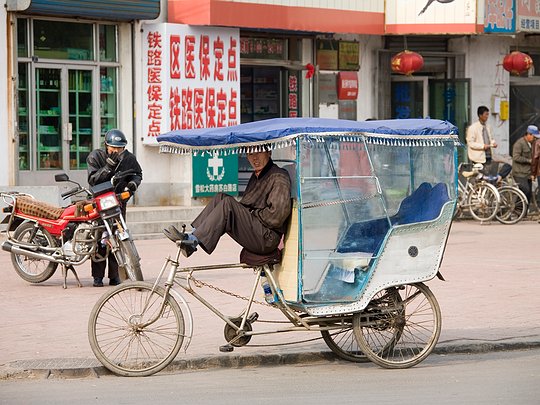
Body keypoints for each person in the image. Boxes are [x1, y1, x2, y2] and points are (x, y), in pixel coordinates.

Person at [165, 149, 292, 259]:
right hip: (256, 229)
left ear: (269, 152)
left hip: (267, 238)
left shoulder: (279, 176)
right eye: (250, 154)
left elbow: (277, 216)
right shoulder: (256, 176)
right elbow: (247, 205)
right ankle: (192, 236)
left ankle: (192, 241)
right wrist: (247, 213)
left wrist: (252, 213)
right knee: (220, 197)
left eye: (258, 153)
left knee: (228, 204)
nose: (254, 158)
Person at [86, 129, 143, 287]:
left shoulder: (129, 158)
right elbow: (93, 180)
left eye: (120, 148)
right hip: (99, 202)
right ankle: (97, 276)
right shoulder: (95, 156)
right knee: (100, 239)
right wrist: (108, 167)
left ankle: (115, 275)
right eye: (113, 148)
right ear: (106, 145)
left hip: (118, 202)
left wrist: (133, 184)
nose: (116, 151)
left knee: (118, 237)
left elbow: (137, 173)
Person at [466, 105, 512, 181]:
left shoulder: (488, 127)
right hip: (478, 158)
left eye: (488, 114)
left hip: (488, 156)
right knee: (482, 179)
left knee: (506, 166)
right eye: (486, 114)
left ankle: (498, 178)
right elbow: (470, 143)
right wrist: (482, 146)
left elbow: (491, 138)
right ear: (480, 115)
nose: (487, 116)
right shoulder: (473, 128)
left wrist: (493, 143)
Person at [512, 125, 537, 203]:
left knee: (528, 194)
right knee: (525, 191)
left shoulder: (532, 144)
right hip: (519, 173)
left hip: (527, 173)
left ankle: (524, 209)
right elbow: (516, 157)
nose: (535, 139)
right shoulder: (519, 143)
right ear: (529, 134)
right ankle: (518, 209)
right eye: (534, 137)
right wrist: (528, 160)